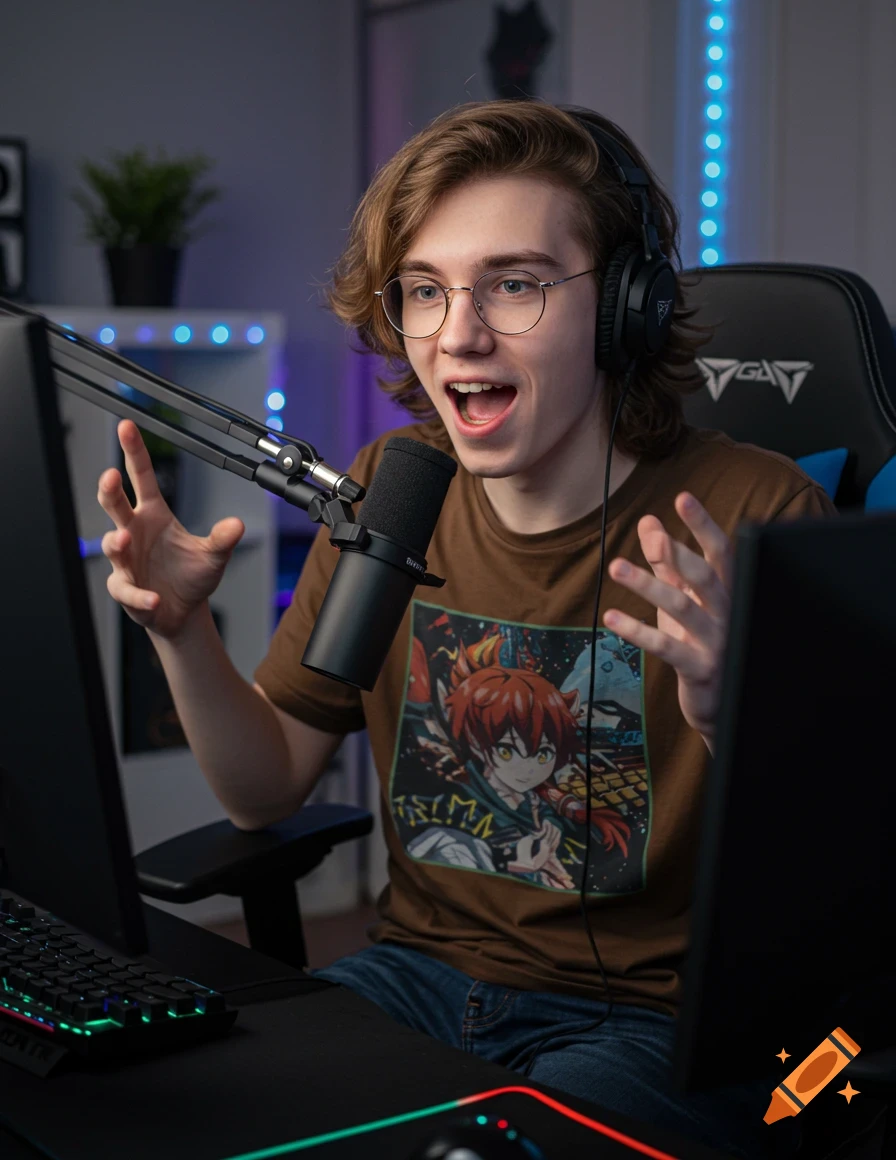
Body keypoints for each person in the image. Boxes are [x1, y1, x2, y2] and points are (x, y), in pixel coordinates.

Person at [98, 100, 835, 1158]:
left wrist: (733, 717)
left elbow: (831, 896)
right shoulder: (393, 495)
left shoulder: (751, 516)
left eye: (516, 283)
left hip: (656, 1020)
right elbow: (262, 788)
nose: (459, 331)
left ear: (625, 306)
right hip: (415, 975)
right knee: (201, 1110)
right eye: (425, 291)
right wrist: (181, 628)